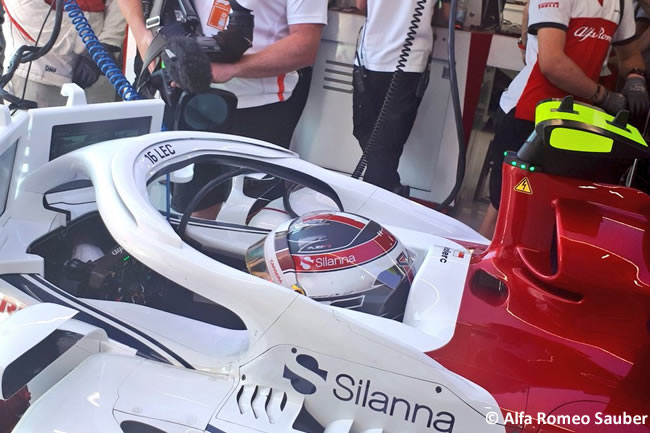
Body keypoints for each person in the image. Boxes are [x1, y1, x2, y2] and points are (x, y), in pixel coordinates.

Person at [116, 0, 327, 219]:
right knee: (189, 207)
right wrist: (144, 38)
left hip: (261, 105)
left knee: (258, 213)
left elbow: (305, 45)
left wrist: (234, 69)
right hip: (190, 95)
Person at [478, 0, 649, 238]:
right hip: (529, 112)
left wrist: (635, 77)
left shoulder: (619, 3)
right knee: (505, 206)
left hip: (576, 119)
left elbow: (629, 54)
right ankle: (482, 270)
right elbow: (552, 63)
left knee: (554, 208)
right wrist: (604, 97)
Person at [352, 0, 449, 197]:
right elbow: (446, 13)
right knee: (383, 143)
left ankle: (376, 200)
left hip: (376, 56)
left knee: (377, 141)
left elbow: (361, 5)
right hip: (407, 62)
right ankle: (391, 190)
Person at [2, 0, 126, 107]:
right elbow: (27, 11)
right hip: (39, 78)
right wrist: (93, 45)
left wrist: (108, 43)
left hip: (99, 73)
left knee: (101, 133)